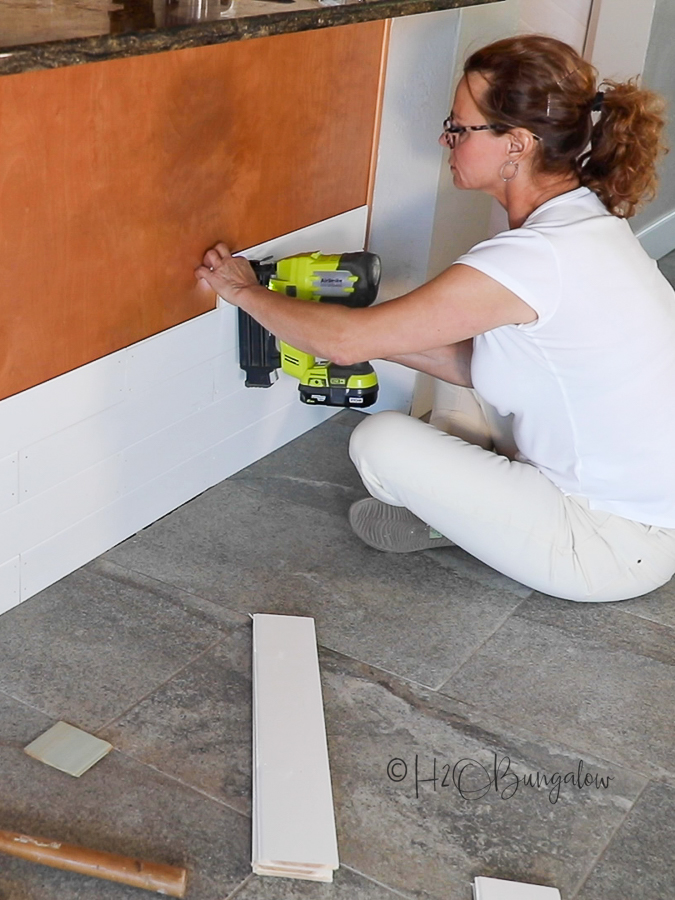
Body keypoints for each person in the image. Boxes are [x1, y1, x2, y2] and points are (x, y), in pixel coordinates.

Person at [195, 34, 675, 603]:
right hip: (647, 512)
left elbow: (347, 347)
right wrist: (341, 317)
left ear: (516, 144)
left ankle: (458, 521)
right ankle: (483, 516)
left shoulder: (530, 258)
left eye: (459, 126)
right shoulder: (581, 222)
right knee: (470, 374)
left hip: (609, 548)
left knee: (380, 442)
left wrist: (246, 293)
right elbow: (474, 364)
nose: (446, 139)